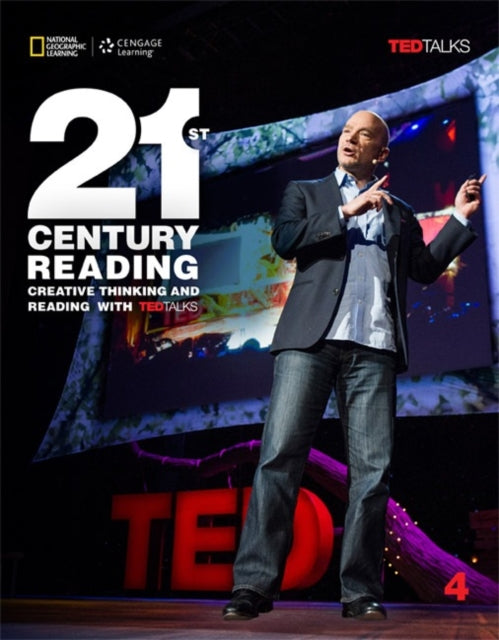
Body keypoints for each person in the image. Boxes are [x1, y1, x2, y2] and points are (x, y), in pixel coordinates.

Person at [222, 110, 486, 621]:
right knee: (279, 458)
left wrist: (458, 218)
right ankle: (252, 585)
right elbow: (285, 240)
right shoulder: (306, 192)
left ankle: (360, 591)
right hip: (309, 343)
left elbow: (423, 270)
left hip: (374, 348)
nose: (350, 139)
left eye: (363, 135)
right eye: (346, 132)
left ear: (380, 153)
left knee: (371, 474)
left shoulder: (399, 211)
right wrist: (346, 212)